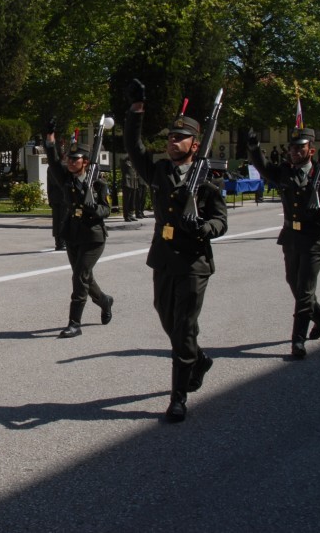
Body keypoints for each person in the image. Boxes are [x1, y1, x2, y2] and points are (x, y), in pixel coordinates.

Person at [124, 82, 227, 423]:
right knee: (166, 317)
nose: (172, 142)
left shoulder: (208, 180)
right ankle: (198, 359)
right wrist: (138, 107)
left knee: (182, 328)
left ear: (195, 145)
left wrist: (205, 228)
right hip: (164, 258)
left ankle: (178, 398)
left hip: (194, 262)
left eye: (179, 138)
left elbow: (220, 220)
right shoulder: (158, 171)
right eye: (170, 137)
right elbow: (133, 146)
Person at [248, 125, 320, 361]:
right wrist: (254, 147)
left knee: (305, 289)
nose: (294, 152)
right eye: (292, 148)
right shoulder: (285, 172)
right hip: (291, 237)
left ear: (311, 150)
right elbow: (263, 168)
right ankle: (319, 315)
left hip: (314, 238)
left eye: (300, 148)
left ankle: (297, 340)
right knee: (293, 281)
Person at [44, 127, 114, 339]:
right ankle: (104, 300)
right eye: (70, 159)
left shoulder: (99, 184)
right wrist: (49, 142)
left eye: (76, 159)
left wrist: (94, 208)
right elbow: (55, 161)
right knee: (84, 277)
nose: (71, 162)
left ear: (86, 162)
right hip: (73, 234)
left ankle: (75, 323)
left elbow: (106, 209)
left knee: (79, 277)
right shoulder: (66, 179)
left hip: (93, 236)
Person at [46, 140, 68, 250]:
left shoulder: (50, 168)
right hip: (64, 196)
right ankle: (62, 242)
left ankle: (58, 242)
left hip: (54, 196)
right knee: (63, 219)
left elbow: (49, 185)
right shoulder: (64, 167)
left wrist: (49, 198)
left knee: (56, 220)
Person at [121, 155, 140, 222]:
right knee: (127, 200)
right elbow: (123, 159)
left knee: (132, 201)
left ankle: (131, 214)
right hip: (127, 183)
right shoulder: (125, 162)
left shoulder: (134, 163)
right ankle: (126, 216)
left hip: (134, 183)